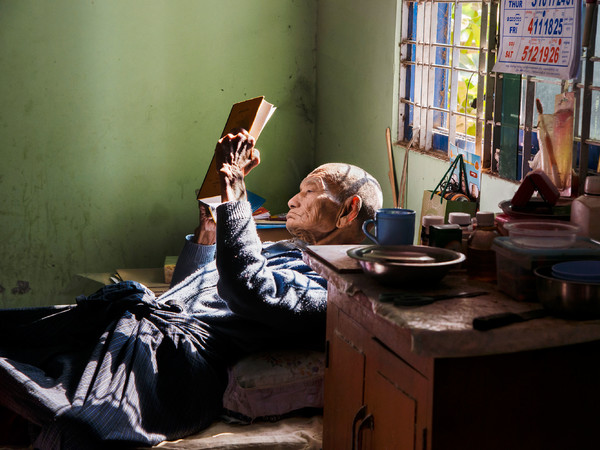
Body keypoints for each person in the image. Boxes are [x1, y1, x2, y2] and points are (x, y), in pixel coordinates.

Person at [0, 129, 383, 449]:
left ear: (348, 210)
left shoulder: (337, 286)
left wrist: (235, 194)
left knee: (77, 429)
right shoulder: (289, 250)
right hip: (139, 328)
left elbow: (249, 290)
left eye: (309, 191)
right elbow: (187, 289)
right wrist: (210, 233)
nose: (292, 200)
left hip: (176, 364)